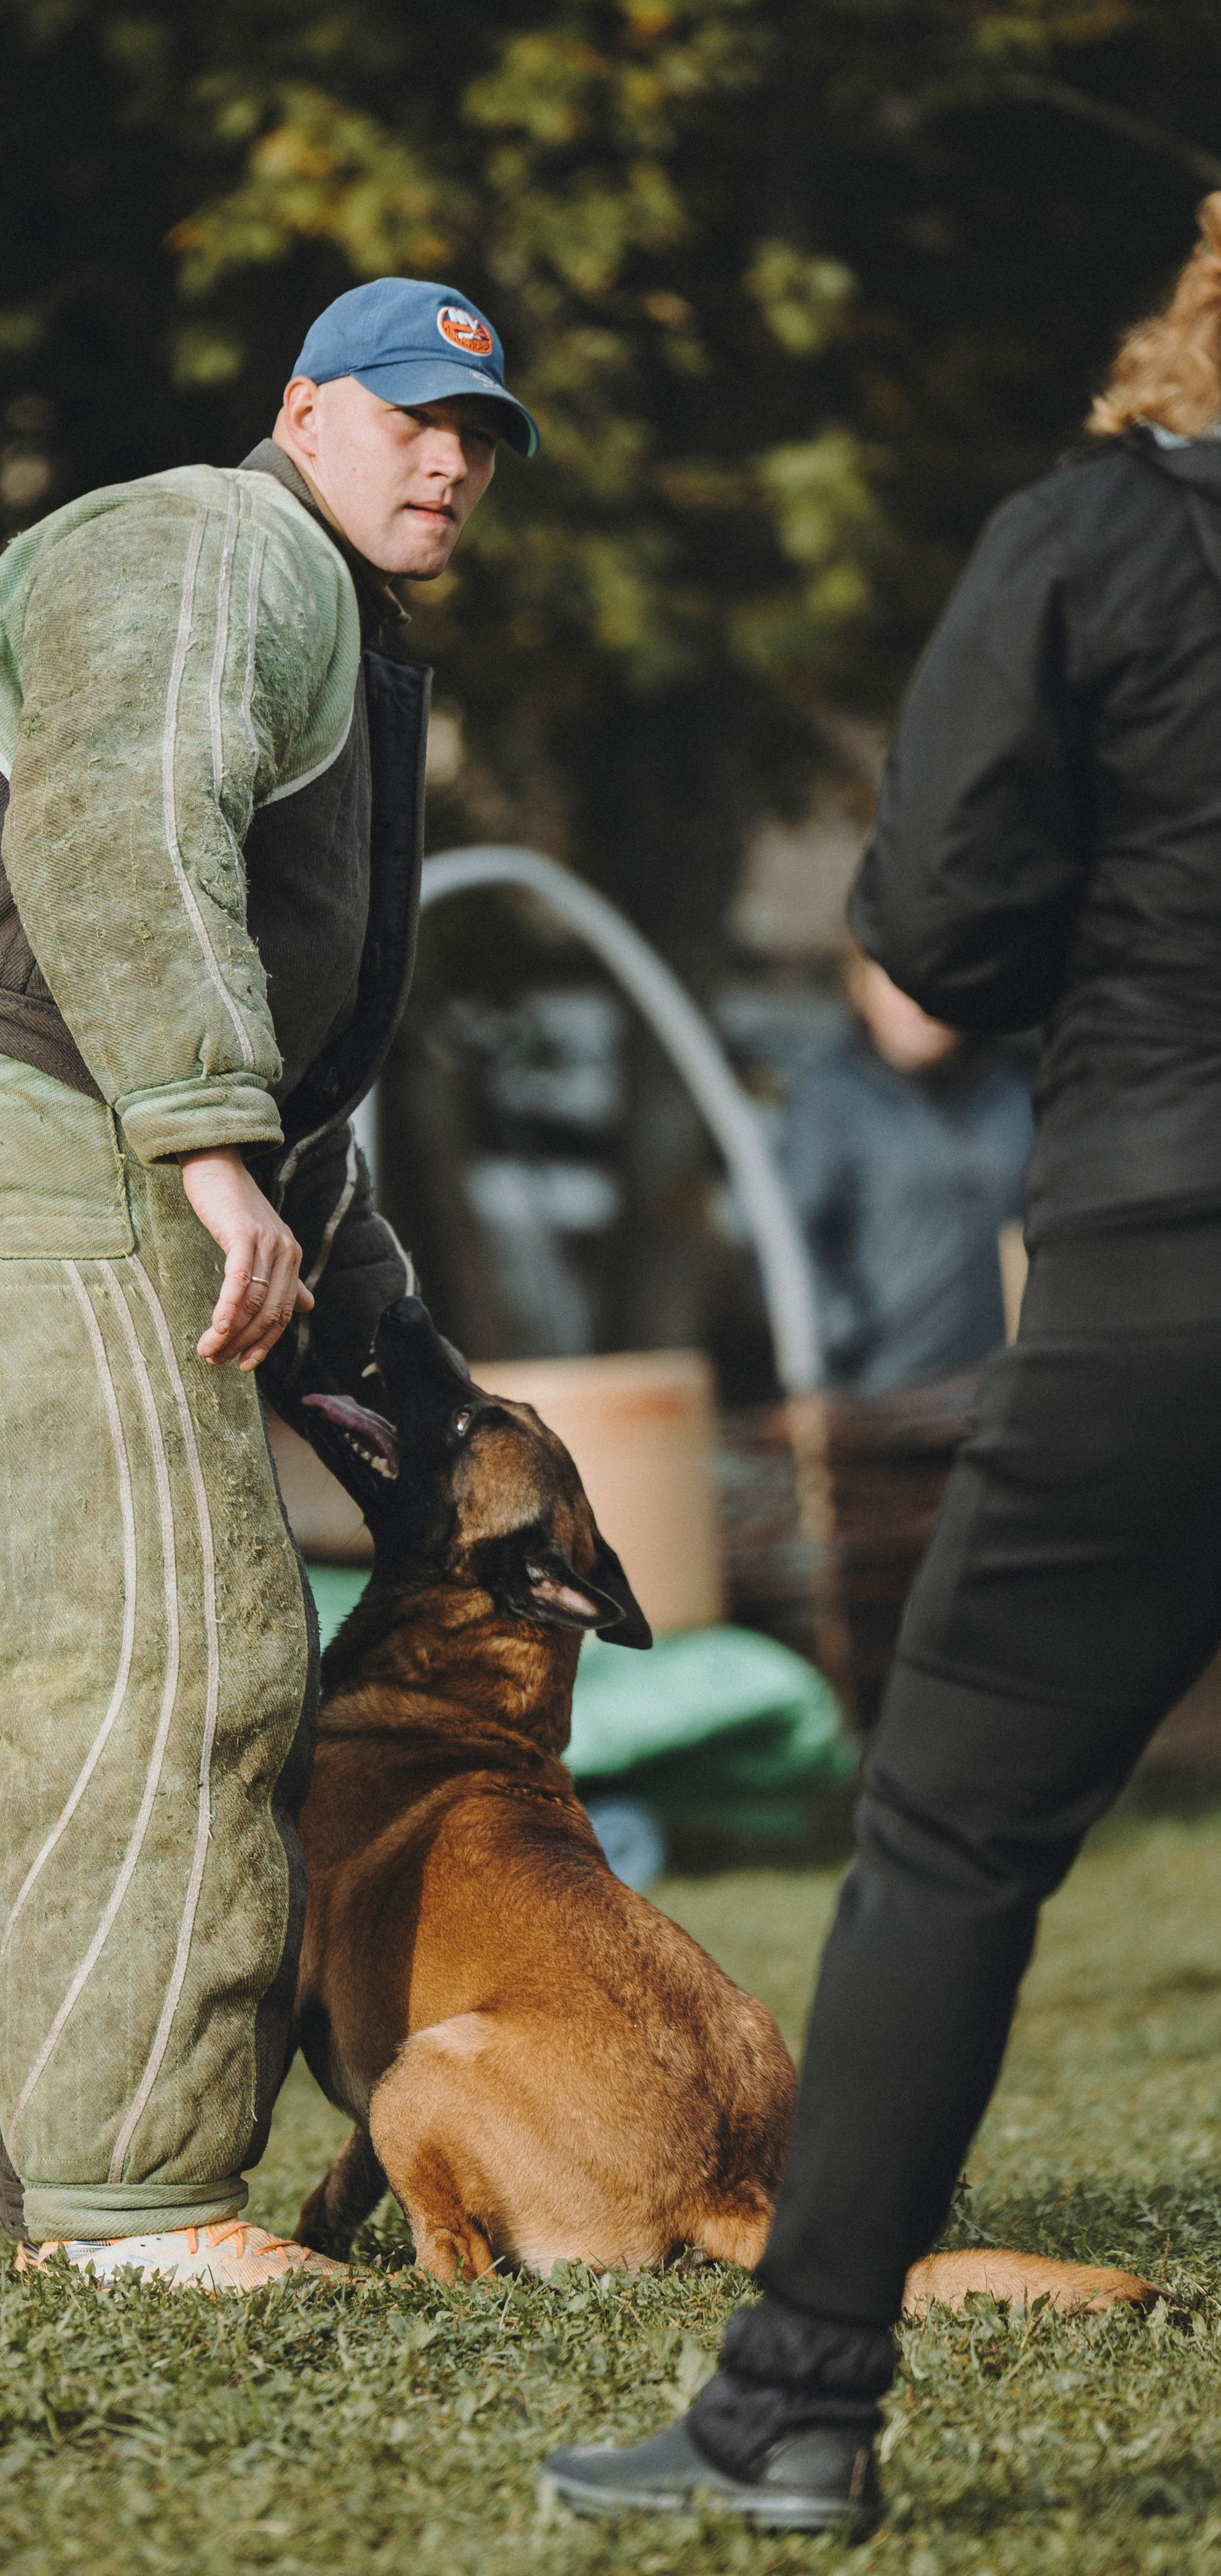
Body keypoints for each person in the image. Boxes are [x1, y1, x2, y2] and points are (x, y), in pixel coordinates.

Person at [542, 190, 1221, 2534]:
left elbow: (933, 919)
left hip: (1163, 1279)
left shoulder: (1094, 541)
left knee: (948, 1840)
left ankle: (797, 2407)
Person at [0, 280, 536, 2291]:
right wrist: (209, 1145)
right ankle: (136, 2214)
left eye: (479, 437)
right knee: (172, 1656)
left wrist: (392, 1350)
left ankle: (108, 2196)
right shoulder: (202, 541)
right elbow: (123, 820)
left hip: (64, 1130)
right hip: (37, 1124)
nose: (448, 459)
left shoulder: (314, 619)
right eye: (407, 414)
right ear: (302, 409)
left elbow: (294, 1076)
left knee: (138, 1659)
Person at [776, 947, 1033, 1393]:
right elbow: (788, 1238)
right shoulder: (828, 1100)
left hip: (1004, 1394)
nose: (920, 1004)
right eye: (897, 981)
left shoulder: (1017, 1093)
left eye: (938, 982)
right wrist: (841, 1334)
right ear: (860, 988)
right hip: (879, 1400)